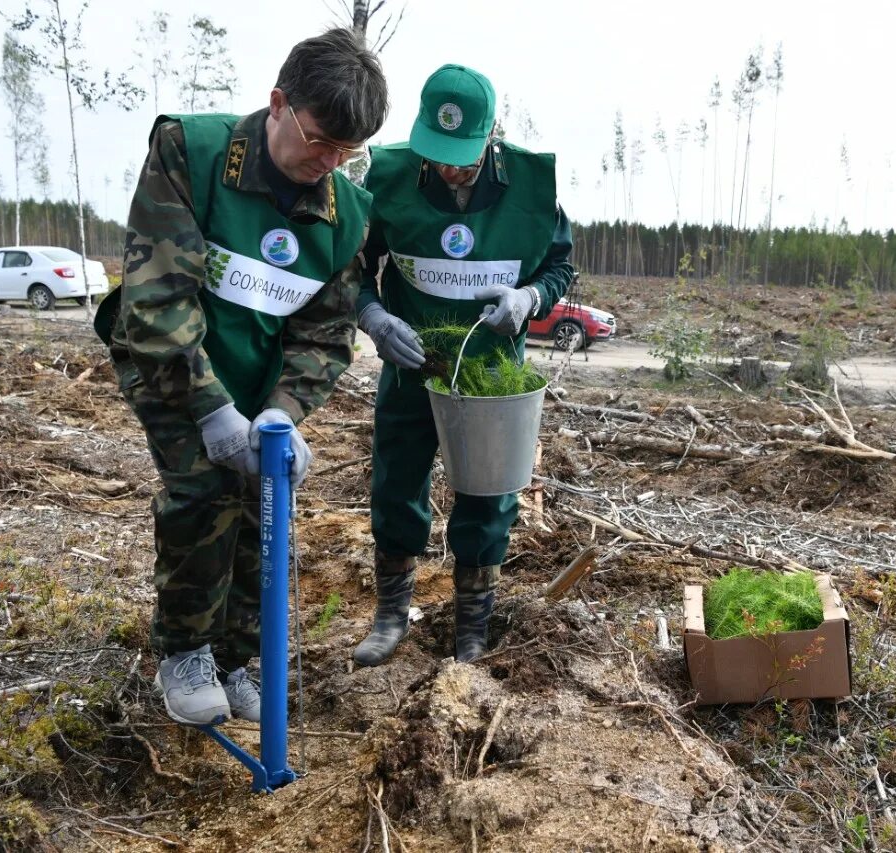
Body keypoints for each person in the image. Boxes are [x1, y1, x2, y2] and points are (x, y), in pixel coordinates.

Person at [93, 29, 389, 725]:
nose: (330, 162)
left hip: (257, 376)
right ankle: (185, 648)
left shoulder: (347, 214)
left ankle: (234, 656)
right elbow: (159, 297)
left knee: (266, 496)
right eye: (320, 141)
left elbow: (325, 332)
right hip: (168, 359)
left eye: (348, 152)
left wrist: (283, 409)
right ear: (279, 104)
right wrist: (211, 410)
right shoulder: (191, 153)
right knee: (203, 485)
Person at [353, 64, 574, 667]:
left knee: (487, 495)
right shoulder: (390, 177)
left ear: (491, 136)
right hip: (412, 366)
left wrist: (529, 300)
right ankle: (392, 611)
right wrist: (373, 317)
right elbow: (351, 266)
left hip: (490, 378)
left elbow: (559, 269)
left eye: (463, 157)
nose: (449, 168)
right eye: (438, 154)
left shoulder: (530, 187)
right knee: (396, 483)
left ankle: (472, 620)